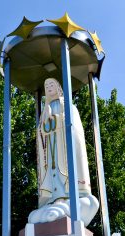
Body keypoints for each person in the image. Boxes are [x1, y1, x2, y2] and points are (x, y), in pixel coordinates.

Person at [28, 78, 99, 227]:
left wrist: (59, 120)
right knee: (52, 171)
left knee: (63, 170)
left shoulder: (67, 105)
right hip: (51, 146)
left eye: (51, 84)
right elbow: (41, 130)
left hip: (63, 146)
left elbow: (74, 125)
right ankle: (53, 199)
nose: (48, 87)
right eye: (46, 85)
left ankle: (66, 198)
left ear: (59, 87)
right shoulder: (45, 108)